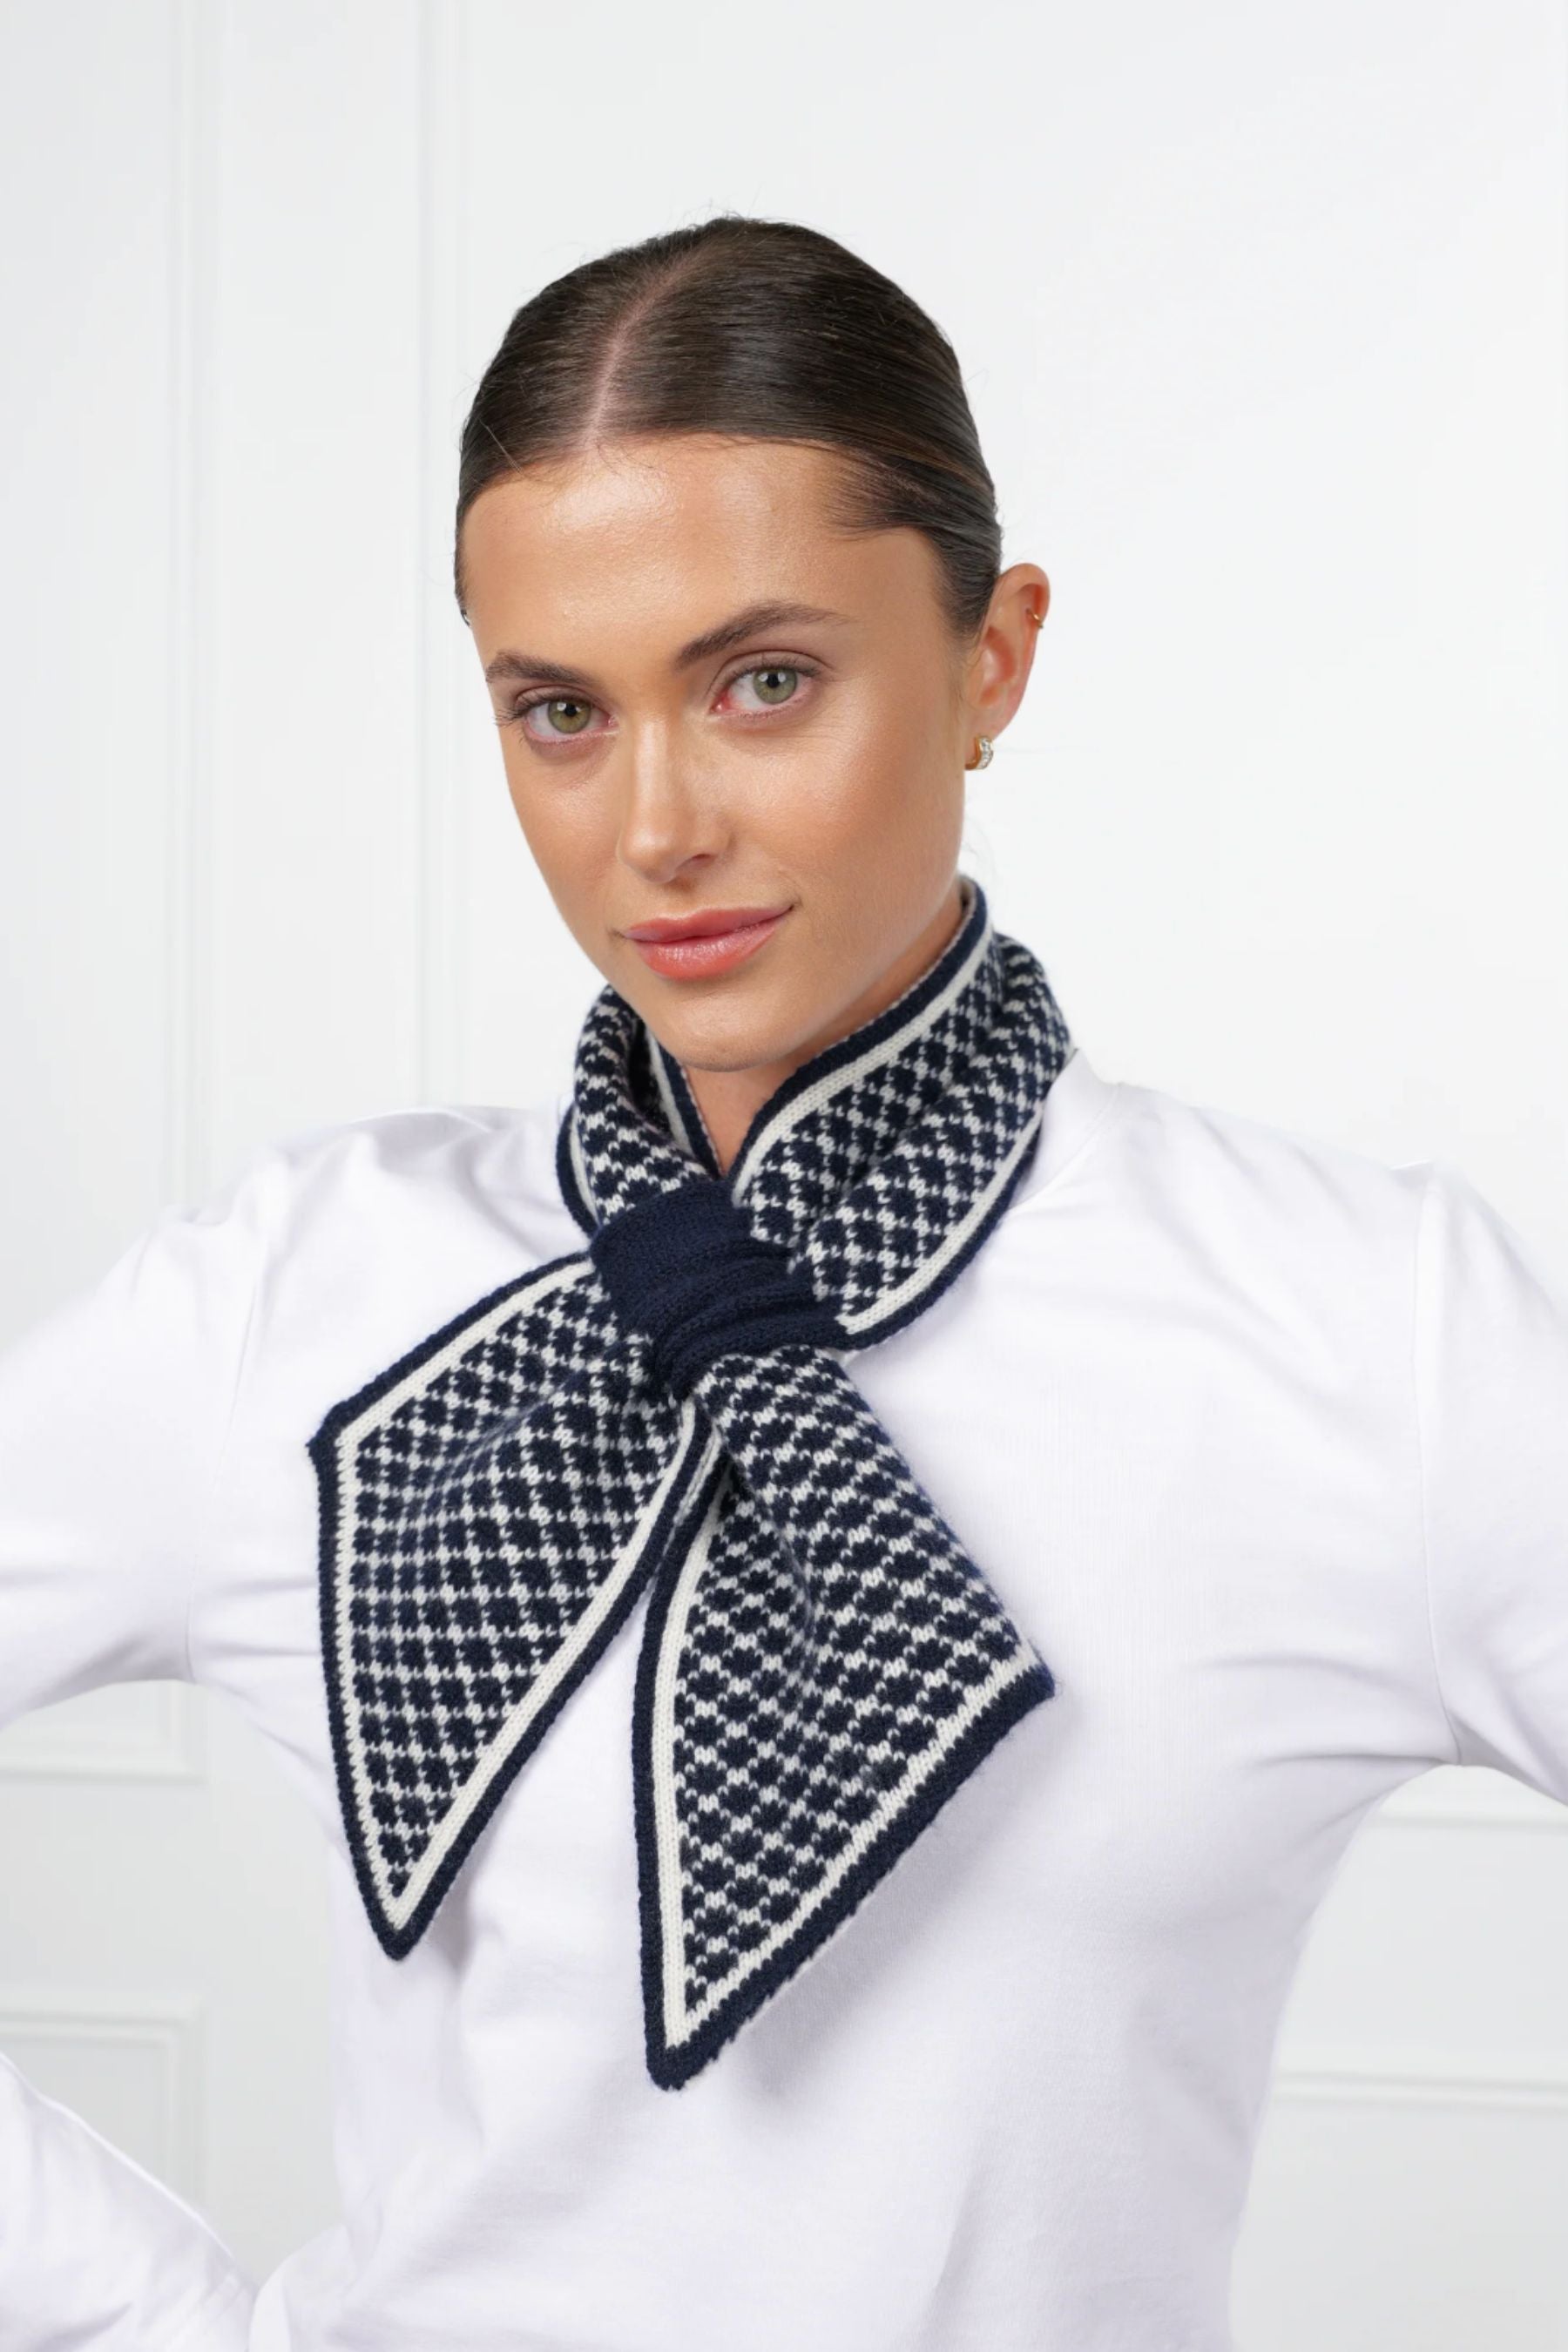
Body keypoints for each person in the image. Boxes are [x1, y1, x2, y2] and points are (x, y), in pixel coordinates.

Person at [1, 212, 1564, 2351]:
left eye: (763, 683)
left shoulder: (1364, 1334)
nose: (657, 827)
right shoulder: (298, 1298)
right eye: (561, 712)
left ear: (993, 655)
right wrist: (149, 2324)